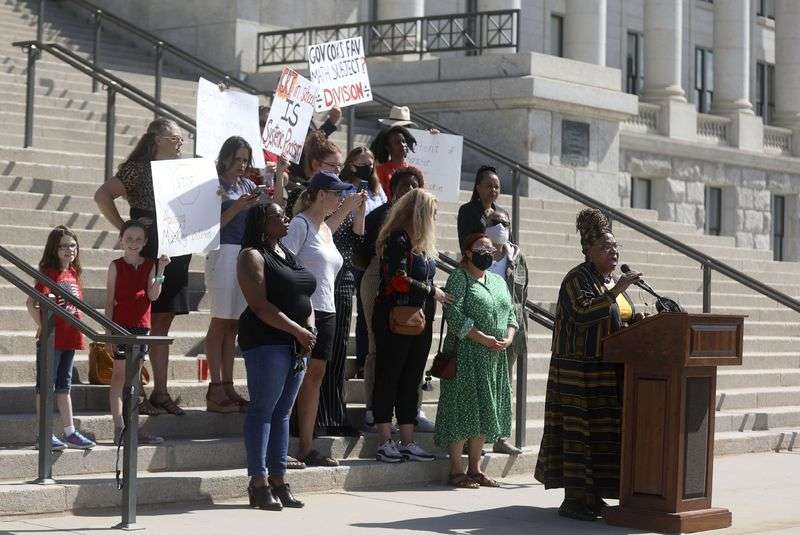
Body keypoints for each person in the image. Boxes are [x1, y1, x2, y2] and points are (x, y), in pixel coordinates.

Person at [534, 208, 641, 521]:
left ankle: (593, 497)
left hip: (604, 371)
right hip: (577, 374)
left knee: (600, 436)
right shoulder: (576, 279)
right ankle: (574, 500)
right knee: (579, 435)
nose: (613, 252)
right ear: (588, 251)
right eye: (606, 248)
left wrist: (637, 320)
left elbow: (614, 317)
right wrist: (617, 290)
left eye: (615, 246)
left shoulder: (605, 281)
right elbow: (583, 313)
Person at [94, 118, 190, 416]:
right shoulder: (138, 168)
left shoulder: (181, 170)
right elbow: (102, 194)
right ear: (158, 138)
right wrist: (125, 227)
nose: (180, 143)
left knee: (163, 321)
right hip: (147, 249)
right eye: (175, 138)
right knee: (143, 321)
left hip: (174, 248)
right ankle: (136, 391)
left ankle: (160, 392)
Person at [238, 202, 316, 510]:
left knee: (283, 413)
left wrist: (307, 329)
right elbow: (259, 305)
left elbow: (303, 295)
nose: (285, 218)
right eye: (277, 215)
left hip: (297, 343)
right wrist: (298, 331)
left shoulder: (286, 252)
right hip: (267, 340)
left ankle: (279, 479)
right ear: (261, 223)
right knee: (263, 410)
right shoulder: (251, 256)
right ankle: (258, 482)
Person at [283, 171, 363, 466]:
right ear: (320, 194)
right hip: (304, 310)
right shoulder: (299, 224)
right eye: (336, 193)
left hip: (328, 309)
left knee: (315, 377)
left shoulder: (325, 228)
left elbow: (336, 224)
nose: (341, 198)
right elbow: (284, 266)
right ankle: (281, 444)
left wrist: (351, 208)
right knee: (295, 375)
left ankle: (306, 445)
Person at [372, 189, 453, 463]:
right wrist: (432, 291)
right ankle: (385, 441)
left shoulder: (424, 246)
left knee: (411, 379)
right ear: (420, 213)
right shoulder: (398, 239)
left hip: (419, 319)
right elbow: (397, 279)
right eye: (433, 212)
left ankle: (408, 441)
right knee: (389, 376)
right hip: (394, 316)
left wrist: (432, 291)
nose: (436, 217)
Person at [434, 233, 517, 488]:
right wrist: (482, 338)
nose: (487, 252)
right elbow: (454, 315)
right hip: (467, 354)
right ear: (468, 252)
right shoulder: (459, 278)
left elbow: (511, 313)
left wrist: (509, 337)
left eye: (491, 248)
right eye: (481, 247)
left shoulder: (497, 280)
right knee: (462, 409)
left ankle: (475, 469)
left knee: (482, 409)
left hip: (493, 356)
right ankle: (457, 470)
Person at [357, 167, 424, 432]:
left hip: (415, 286)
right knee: (379, 347)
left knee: (413, 352)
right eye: (404, 185)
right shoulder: (379, 216)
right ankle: (374, 409)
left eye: (415, 185)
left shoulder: (421, 219)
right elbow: (360, 256)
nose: (409, 190)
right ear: (392, 189)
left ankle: (411, 411)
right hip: (378, 280)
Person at [313, 149, 369, 436]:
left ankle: (335, 412)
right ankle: (318, 415)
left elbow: (358, 234)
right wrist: (347, 206)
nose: (336, 170)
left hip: (345, 273)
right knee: (325, 349)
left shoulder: (346, 195)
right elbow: (324, 233)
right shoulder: (327, 198)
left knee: (338, 350)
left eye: (337, 165)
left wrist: (359, 211)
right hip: (325, 276)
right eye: (331, 165)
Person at [205, 136, 262, 413]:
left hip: (243, 253)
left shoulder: (248, 185)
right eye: (237, 158)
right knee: (219, 321)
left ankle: (227, 385)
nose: (241, 165)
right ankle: (214, 388)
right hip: (221, 251)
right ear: (225, 157)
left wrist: (279, 178)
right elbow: (207, 225)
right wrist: (237, 207)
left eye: (245, 160)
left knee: (233, 324)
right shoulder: (214, 184)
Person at [26, 226, 96, 451]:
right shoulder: (48, 273)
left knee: (64, 387)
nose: (69, 250)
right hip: (53, 340)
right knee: (46, 386)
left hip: (71, 337)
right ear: (54, 249)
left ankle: (70, 431)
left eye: (73, 245)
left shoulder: (74, 273)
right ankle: (44, 433)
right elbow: (31, 302)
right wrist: (43, 327)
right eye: (64, 246)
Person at [104, 219, 169, 445]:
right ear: (122, 239)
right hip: (120, 327)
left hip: (141, 327)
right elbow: (109, 301)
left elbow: (153, 295)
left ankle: (133, 428)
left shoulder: (150, 264)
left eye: (138, 239)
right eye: (129, 238)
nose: (133, 243)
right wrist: (109, 332)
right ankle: (119, 427)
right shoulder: (116, 265)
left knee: (134, 379)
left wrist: (160, 270)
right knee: (120, 376)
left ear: (145, 242)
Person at [339, 147, 386, 381]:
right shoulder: (343, 188)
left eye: (371, 163)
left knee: (369, 314)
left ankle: (365, 359)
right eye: (362, 163)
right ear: (351, 164)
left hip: (374, 256)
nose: (368, 167)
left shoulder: (377, 189)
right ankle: (357, 362)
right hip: (352, 255)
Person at [485, 209, 528, 456]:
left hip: (509, 330)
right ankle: (476, 436)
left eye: (504, 222)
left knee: (504, 386)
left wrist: (517, 326)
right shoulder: (477, 251)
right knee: (482, 384)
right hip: (482, 328)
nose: (499, 225)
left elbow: (522, 293)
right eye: (494, 222)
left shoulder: (516, 257)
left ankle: (501, 437)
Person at [457, 165, 510, 248]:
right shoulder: (467, 211)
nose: (493, 190)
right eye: (489, 186)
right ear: (478, 188)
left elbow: (510, 241)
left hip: (501, 259)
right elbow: (465, 242)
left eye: (496, 187)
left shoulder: (503, 213)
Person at [372, 125, 417, 199]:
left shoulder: (414, 171)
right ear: (388, 148)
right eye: (397, 142)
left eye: (403, 141)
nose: (403, 145)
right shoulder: (380, 171)